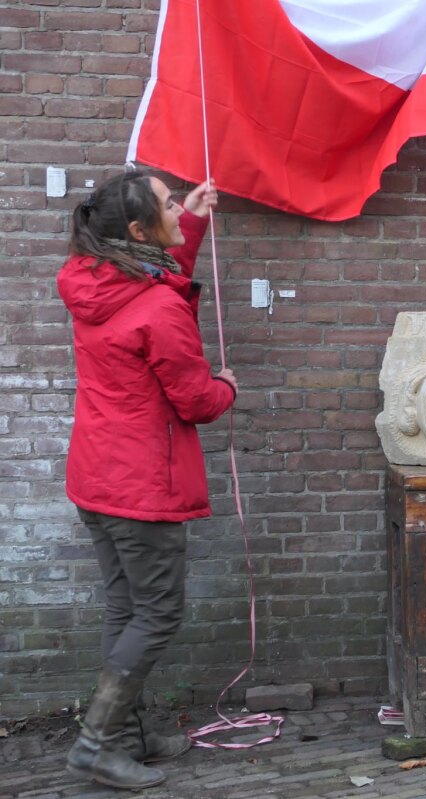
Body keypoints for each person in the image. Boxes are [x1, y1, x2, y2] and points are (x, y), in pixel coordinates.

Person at [57, 169, 237, 789]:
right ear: (138, 230)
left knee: (126, 606)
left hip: (96, 476)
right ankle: (97, 743)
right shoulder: (158, 306)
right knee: (157, 613)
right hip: (140, 487)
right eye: (168, 205)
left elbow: (149, 279)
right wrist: (227, 387)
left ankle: (126, 736)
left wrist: (191, 218)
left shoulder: (91, 276)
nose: (176, 210)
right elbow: (196, 402)